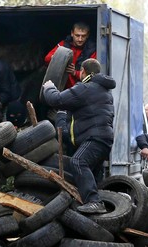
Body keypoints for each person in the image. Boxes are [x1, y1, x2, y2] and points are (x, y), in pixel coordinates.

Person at [43, 58, 114, 214]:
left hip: (95, 138)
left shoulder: (86, 88)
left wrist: (49, 87)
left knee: (77, 162)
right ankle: (100, 213)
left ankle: (95, 202)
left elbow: (56, 99)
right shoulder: (103, 89)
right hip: (104, 138)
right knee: (93, 176)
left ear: (83, 71)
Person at [45, 21, 97, 89]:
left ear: (87, 35)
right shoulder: (63, 44)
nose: (80, 39)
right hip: (61, 87)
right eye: (77, 35)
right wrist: (60, 60)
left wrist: (75, 73)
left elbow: (92, 75)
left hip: (81, 89)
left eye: (83, 36)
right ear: (72, 33)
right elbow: (47, 58)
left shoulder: (93, 50)